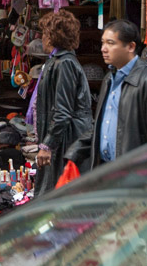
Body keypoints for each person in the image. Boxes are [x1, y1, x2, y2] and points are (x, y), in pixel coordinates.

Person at [66, 19, 147, 171]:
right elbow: (103, 124)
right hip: (106, 172)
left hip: (133, 178)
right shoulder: (109, 79)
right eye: (103, 43)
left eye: (111, 43)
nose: (103, 49)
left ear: (131, 46)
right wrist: (75, 152)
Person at [30, 10, 93, 197]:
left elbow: (62, 111)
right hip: (63, 140)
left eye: (45, 34)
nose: (42, 39)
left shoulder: (64, 64)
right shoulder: (58, 62)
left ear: (53, 36)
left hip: (67, 141)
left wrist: (47, 145)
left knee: (59, 196)